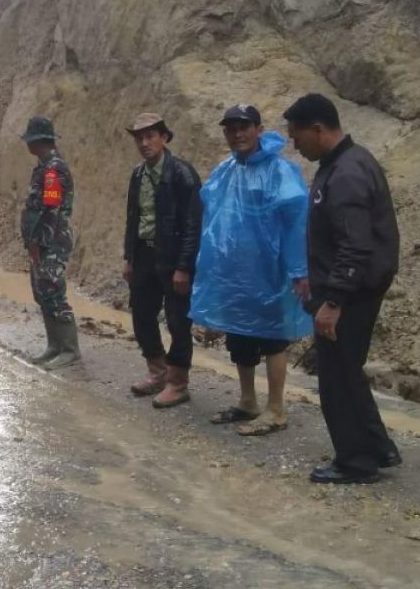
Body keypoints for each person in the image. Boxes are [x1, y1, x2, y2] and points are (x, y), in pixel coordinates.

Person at [284, 93, 402, 484]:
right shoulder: (345, 164)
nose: (294, 144)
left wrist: (333, 300)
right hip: (353, 288)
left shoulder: (347, 173)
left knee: (335, 378)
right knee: (348, 371)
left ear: (318, 129)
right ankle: (377, 446)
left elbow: (355, 244)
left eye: (297, 135)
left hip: (351, 294)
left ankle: (355, 461)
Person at [190, 104, 310, 436]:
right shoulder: (225, 170)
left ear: (259, 129)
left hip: (270, 272)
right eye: (231, 128)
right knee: (239, 335)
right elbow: (212, 221)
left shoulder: (280, 170)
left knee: (273, 337)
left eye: (244, 127)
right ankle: (247, 401)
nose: (238, 134)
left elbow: (296, 222)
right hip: (234, 274)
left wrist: (298, 269)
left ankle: (275, 409)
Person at [122, 113, 201, 408]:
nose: (144, 143)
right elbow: (133, 218)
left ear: (164, 137)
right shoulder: (138, 175)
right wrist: (129, 257)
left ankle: (178, 383)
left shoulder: (183, 174)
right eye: (139, 138)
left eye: (150, 136)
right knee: (142, 313)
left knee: (178, 320)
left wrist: (184, 266)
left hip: (173, 257)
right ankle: (158, 372)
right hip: (144, 253)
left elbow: (193, 225)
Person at [19, 116, 81, 369]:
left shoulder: (54, 169)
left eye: (29, 141)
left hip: (50, 242)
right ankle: (55, 346)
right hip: (42, 242)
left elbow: (51, 209)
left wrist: (37, 241)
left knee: (53, 291)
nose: (27, 145)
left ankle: (70, 350)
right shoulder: (43, 167)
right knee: (42, 292)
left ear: (38, 141)